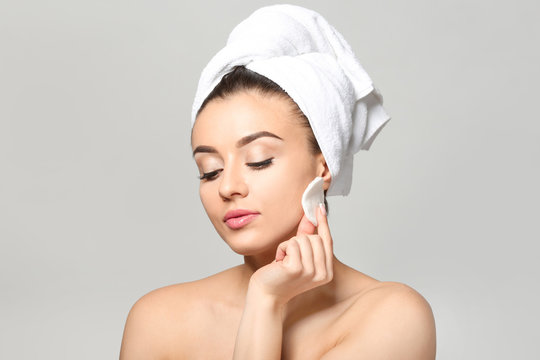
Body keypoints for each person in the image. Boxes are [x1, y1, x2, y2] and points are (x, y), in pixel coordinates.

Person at [120, 5, 436, 360]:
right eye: (210, 170)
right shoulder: (159, 320)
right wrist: (265, 297)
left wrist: (266, 300)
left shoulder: (392, 317)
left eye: (259, 160)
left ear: (324, 167)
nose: (227, 187)